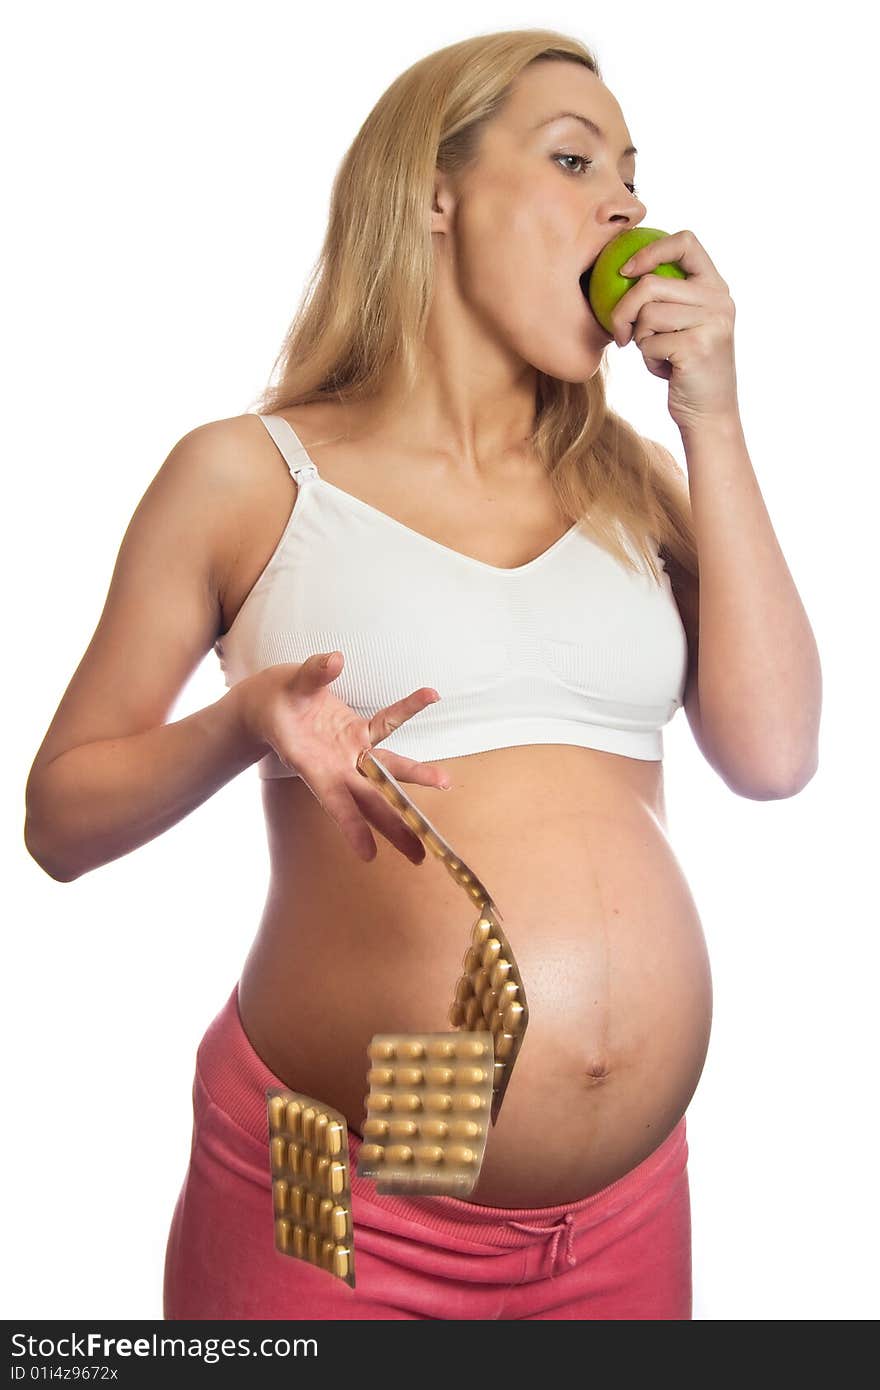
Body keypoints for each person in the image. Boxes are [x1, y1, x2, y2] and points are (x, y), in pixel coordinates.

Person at [23, 28, 821, 1321]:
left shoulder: (644, 489)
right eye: (574, 157)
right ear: (434, 196)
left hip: (620, 1222)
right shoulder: (249, 474)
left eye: (634, 176)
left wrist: (713, 417)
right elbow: (58, 818)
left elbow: (777, 754)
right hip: (333, 1210)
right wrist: (245, 722)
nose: (624, 202)